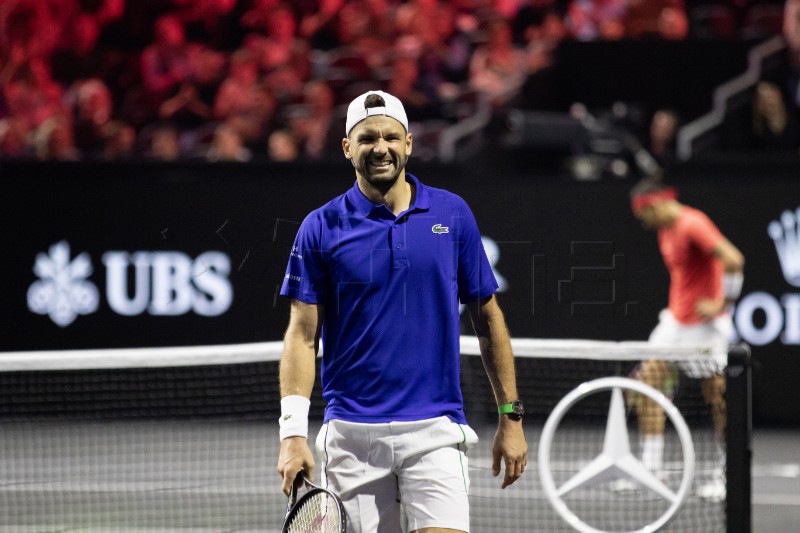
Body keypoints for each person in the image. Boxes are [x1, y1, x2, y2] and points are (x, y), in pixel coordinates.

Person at [277, 90, 528, 533]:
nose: (380, 148)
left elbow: (488, 318)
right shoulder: (319, 226)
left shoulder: (452, 214)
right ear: (347, 148)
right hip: (352, 438)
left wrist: (510, 416)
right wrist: (292, 433)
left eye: (391, 137)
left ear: (408, 143)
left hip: (435, 431)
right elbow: (302, 335)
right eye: (368, 137)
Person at [627, 177, 745, 500]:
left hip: (706, 328)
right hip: (675, 323)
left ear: (654, 205)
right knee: (644, 385)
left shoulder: (693, 223)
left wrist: (725, 302)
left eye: (643, 217)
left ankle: (728, 473)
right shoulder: (666, 229)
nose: (643, 224)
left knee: (718, 397)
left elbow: (734, 260)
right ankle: (650, 469)